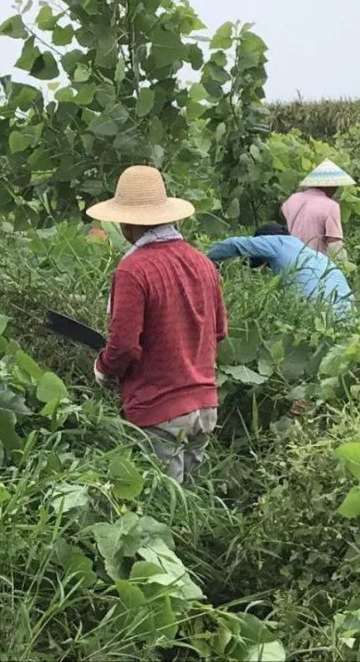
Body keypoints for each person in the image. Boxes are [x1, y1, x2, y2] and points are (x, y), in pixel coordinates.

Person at [86, 165, 227, 484]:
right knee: (191, 502)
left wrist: (103, 369)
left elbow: (122, 345)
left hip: (159, 411)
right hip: (205, 408)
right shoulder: (203, 263)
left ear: (127, 223)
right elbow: (217, 333)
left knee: (161, 510)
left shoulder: (133, 270)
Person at [207, 223, 355, 320]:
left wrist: (202, 257)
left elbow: (233, 245)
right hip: (348, 315)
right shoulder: (313, 254)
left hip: (318, 314)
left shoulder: (275, 242)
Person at [280, 158, 356, 259]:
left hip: (289, 258)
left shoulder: (292, 199)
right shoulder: (331, 206)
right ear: (329, 186)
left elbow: (282, 214)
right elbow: (334, 243)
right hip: (314, 261)